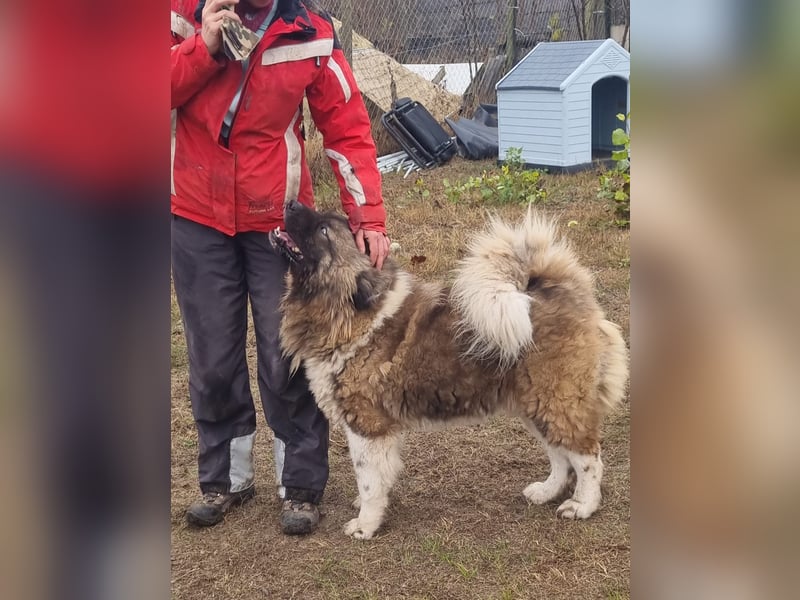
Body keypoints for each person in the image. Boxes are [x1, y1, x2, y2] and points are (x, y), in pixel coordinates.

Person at [170, 0, 390, 535]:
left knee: (285, 352)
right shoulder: (179, 14)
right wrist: (205, 46)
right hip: (196, 212)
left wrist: (368, 216)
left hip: (277, 218)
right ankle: (226, 479)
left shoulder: (310, 31)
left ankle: (302, 484)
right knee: (213, 354)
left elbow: (347, 127)